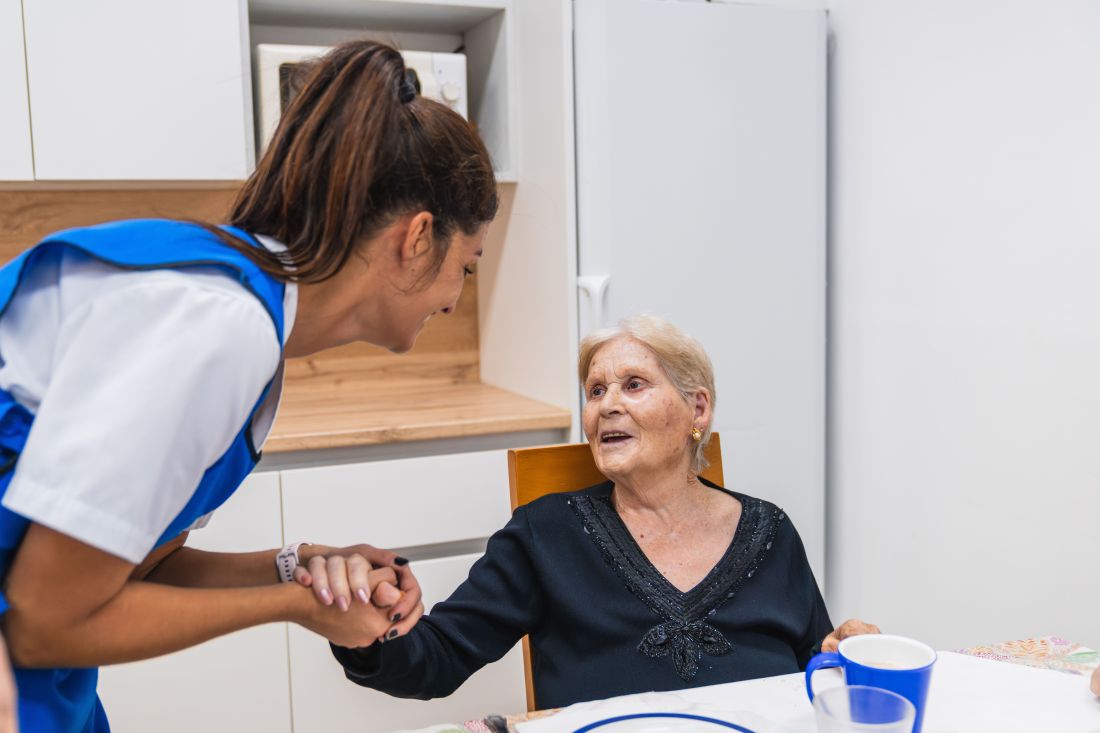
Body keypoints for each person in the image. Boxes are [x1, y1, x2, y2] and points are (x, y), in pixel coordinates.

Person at [0, 39, 498, 732]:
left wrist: (301, 567)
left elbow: (129, 567)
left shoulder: (251, 324)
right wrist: (297, 605)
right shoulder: (216, 325)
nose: (453, 298)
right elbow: (44, 622)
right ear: (417, 239)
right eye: (465, 267)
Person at [328, 315, 878, 709]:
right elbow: (437, 659)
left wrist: (838, 655)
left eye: (633, 385)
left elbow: (814, 669)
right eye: (595, 391)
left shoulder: (770, 531)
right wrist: (369, 630)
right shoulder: (545, 535)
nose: (607, 404)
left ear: (698, 408)